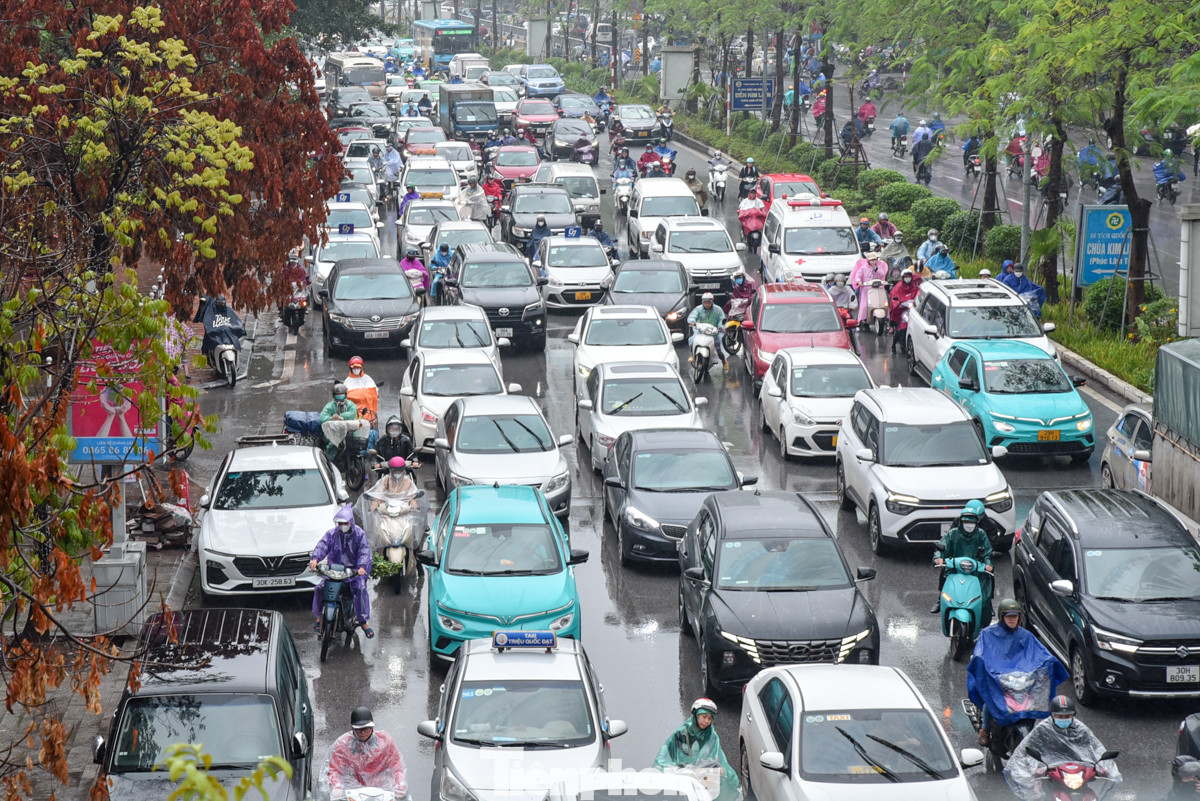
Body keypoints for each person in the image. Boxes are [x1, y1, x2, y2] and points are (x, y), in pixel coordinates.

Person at [966, 599, 1068, 748]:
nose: (1012, 619)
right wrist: (981, 663)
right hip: (997, 680)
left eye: (1015, 616)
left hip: (1021, 681)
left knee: (1033, 700)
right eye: (1008, 616)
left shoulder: (1026, 636)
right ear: (1002, 617)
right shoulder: (988, 634)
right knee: (990, 700)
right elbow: (980, 653)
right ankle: (985, 729)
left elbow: (1041, 652)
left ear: (1020, 617)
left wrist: (1050, 662)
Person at [1005, 696, 1120, 800]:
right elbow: (1027, 750)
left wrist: (1103, 766)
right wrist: (1034, 769)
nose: (1064, 719)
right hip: (1051, 770)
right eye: (1060, 716)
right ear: (1052, 715)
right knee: (1037, 793)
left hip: (1077, 771)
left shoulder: (1080, 729)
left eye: (1067, 716)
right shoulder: (1042, 729)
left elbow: (1095, 748)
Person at [653, 699, 740, 801]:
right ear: (696, 715)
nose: (706, 721)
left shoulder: (711, 736)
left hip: (703, 777)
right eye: (704, 717)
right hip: (681, 775)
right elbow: (664, 755)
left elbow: (715, 757)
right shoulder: (680, 733)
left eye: (709, 718)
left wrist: (719, 771)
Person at [308, 505, 373, 637]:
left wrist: (361, 567)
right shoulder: (332, 534)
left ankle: (363, 621)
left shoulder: (359, 534)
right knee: (320, 588)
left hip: (353, 572)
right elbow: (322, 546)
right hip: (335, 571)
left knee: (360, 589)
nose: (343, 525)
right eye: (340, 523)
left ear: (351, 522)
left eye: (345, 523)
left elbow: (364, 552)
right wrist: (315, 559)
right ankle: (320, 617)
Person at [931, 499, 994, 620]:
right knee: (944, 578)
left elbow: (988, 552)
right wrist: (938, 557)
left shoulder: (982, 533)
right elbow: (943, 545)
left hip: (976, 569)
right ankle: (941, 602)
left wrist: (988, 563)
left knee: (986, 585)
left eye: (971, 522)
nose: (968, 524)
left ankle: (985, 614)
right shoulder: (953, 533)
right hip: (955, 567)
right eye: (965, 521)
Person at [324, 707, 406, 798]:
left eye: (367, 729)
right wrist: (336, 786)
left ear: (372, 728)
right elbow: (335, 769)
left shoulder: (385, 741)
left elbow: (396, 767)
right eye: (359, 730)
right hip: (352, 789)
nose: (363, 733)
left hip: (382, 789)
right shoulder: (343, 744)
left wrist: (399, 785)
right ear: (353, 729)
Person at [193, 294, 245, 367]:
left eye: (222, 303)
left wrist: (238, 328)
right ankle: (210, 356)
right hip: (215, 334)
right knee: (207, 341)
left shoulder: (229, 311)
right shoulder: (211, 312)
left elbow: (235, 321)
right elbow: (207, 321)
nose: (221, 305)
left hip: (227, 336)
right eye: (219, 303)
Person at [687, 293, 728, 371]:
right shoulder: (698, 309)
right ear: (703, 303)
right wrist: (692, 321)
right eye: (705, 303)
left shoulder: (718, 310)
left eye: (709, 303)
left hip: (714, 332)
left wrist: (720, 327)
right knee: (693, 340)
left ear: (712, 302)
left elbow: (722, 319)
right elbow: (693, 316)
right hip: (701, 331)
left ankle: (724, 361)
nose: (707, 305)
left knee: (718, 349)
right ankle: (692, 354)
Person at [849, 250, 889, 324]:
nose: (873, 261)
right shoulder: (863, 268)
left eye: (875, 259)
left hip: (878, 288)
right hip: (866, 289)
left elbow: (882, 274)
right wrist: (859, 281)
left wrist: (875, 268)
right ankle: (863, 319)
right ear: (868, 260)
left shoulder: (879, 267)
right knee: (864, 304)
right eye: (871, 260)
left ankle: (886, 318)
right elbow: (858, 275)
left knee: (883, 301)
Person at [888, 268, 921, 352]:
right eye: (905, 277)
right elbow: (894, 299)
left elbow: (919, 295)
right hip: (901, 311)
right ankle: (894, 344)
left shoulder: (914, 287)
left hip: (913, 310)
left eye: (909, 277)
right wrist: (900, 304)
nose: (907, 278)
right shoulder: (898, 287)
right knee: (901, 328)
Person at [344, 356, 379, 425]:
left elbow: (375, 395)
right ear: (350, 368)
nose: (356, 369)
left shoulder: (367, 379)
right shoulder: (347, 382)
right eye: (354, 368)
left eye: (358, 367)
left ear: (361, 368)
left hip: (369, 415)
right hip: (353, 416)